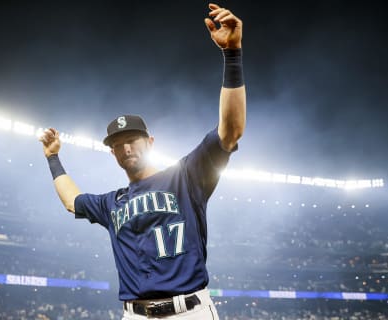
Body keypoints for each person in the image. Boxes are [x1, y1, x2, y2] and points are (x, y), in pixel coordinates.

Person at [39, 3, 246, 319]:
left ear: (149, 142)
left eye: (131, 141)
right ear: (112, 153)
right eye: (117, 145)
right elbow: (73, 201)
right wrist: (53, 157)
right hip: (134, 315)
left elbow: (230, 132)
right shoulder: (113, 203)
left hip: (189, 311)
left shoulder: (185, 177)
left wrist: (232, 54)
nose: (125, 149)